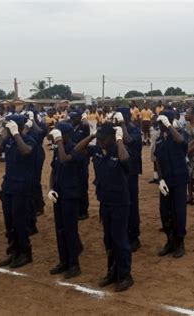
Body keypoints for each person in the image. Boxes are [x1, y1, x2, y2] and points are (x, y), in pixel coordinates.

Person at [74, 122, 134, 292]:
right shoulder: (98, 150)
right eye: (98, 139)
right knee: (108, 240)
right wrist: (92, 136)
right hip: (105, 202)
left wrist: (120, 139)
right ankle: (112, 272)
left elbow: (124, 159)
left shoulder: (119, 150)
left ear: (112, 138)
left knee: (120, 240)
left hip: (120, 203)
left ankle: (125, 276)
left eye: (103, 138)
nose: (100, 141)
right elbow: (77, 150)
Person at [0, 114, 37, 268]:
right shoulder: (8, 140)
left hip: (22, 186)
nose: (8, 129)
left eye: (11, 126)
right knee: (9, 221)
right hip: (9, 185)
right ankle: (14, 251)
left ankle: (25, 252)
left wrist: (16, 133)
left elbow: (26, 152)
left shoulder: (29, 140)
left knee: (19, 221)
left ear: (19, 127)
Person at [47, 122, 84, 279]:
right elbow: (53, 169)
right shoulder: (58, 149)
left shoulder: (76, 149)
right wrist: (51, 188)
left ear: (67, 135)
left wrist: (59, 142)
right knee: (60, 229)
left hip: (71, 194)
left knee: (70, 230)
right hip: (59, 194)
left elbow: (63, 160)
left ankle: (74, 264)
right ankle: (64, 261)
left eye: (60, 134)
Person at [154, 110, 189, 258]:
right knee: (164, 211)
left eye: (161, 123)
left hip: (179, 179)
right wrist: (160, 179)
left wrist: (169, 126)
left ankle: (180, 243)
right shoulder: (159, 139)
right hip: (166, 181)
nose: (159, 126)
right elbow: (158, 161)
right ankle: (170, 240)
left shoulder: (179, 133)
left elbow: (182, 142)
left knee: (179, 212)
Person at [115, 107, 143, 252]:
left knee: (131, 204)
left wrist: (122, 125)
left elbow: (130, 141)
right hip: (118, 172)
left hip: (131, 172)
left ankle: (134, 237)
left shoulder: (134, 130)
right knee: (120, 204)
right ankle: (123, 233)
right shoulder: (117, 130)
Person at [69, 110, 91, 220]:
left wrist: (84, 118)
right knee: (74, 184)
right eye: (71, 118)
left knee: (82, 185)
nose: (72, 120)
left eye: (74, 118)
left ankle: (83, 210)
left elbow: (87, 125)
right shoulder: (70, 128)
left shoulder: (84, 127)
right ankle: (76, 209)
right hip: (73, 159)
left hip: (82, 159)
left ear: (79, 118)